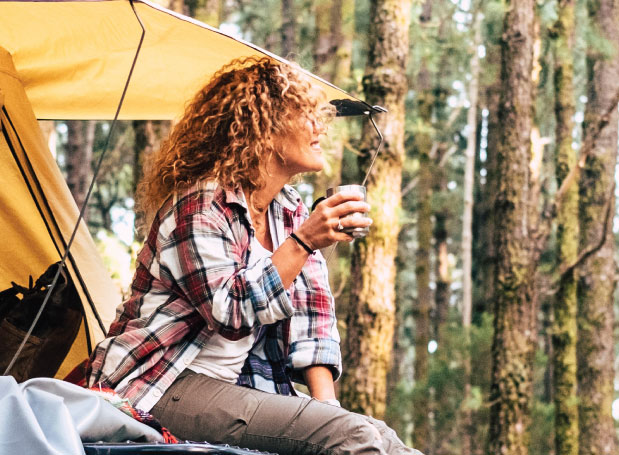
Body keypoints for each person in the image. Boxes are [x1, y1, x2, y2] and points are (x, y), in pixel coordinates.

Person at [84, 56, 420, 455]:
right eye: (305, 115)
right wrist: (304, 241)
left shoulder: (289, 209)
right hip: (161, 383)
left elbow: (314, 317)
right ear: (263, 129)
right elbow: (229, 311)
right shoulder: (201, 206)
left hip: (238, 384)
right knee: (355, 437)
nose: (320, 128)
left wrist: (326, 405)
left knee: (377, 433)